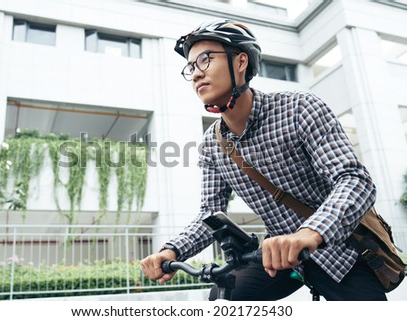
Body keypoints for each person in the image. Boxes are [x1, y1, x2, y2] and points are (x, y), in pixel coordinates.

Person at [140, 19, 387, 300]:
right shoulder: (211, 143)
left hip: (337, 251)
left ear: (241, 61)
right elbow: (210, 213)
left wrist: (310, 232)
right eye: (191, 67)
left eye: (205, 60)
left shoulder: (299, 109)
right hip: (275, 257)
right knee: (225, 297)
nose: (196, 74)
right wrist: (172, 250)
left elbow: (354, 180)